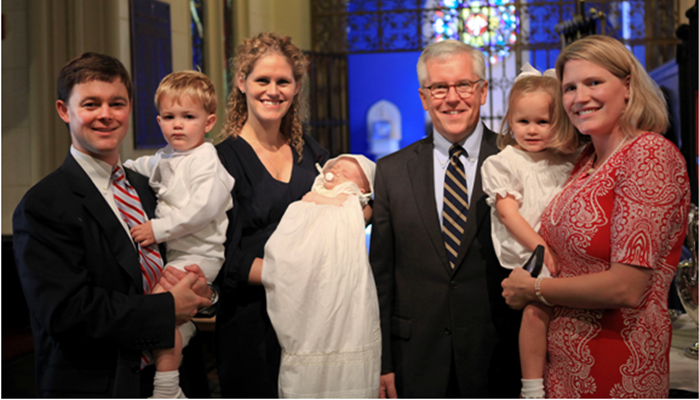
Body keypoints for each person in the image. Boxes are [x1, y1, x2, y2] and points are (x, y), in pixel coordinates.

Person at [12, 52, 213, 398]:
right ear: (64, 110)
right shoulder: (43, 205)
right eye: (91, 104)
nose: (106, 114)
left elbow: (185, 254)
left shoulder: (149, 187)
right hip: (102, 383)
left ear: (129, 108)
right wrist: (167, 309)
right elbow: (67, 314)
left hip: (177, 376)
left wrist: (203, 293)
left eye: (116, 103)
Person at [501, 35, 690, 398]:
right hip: (561, 370)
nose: (580, 97)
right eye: (569, 87)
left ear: (628, 86)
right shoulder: (586, 161)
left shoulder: (648, 154)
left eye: (593, 82)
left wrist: (534, 289)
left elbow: (626, 287)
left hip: (616, 364)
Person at [369, 39, 522, 398]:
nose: (452, 98)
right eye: (439, 88)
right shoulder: (391, 172)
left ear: (482, 91)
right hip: (415, 361)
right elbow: (381, 277)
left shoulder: (516, 162)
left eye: (463, 85)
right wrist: (383, 362)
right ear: (424, 98)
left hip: (500, 356)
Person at [214, 32, 331, 398]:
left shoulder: (308, 152)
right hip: (250, 323)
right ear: (241, 82)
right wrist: (290, 273)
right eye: (262, 80)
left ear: (296, 88)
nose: (273, 91)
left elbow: (347, 205)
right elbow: (221, 257)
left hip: (310, 319)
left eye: (283, 81)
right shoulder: (220, 160)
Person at [124, 71, 235, 398]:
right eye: (169, 117)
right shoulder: (166, 157)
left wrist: (157, 229)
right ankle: (183, 336)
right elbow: (137, 166)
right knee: (169, 320)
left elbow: (202, 210)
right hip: (177, 254)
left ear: (209, 122)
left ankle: (167, 389)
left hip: (200, 255)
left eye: (188, 117)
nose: (177, 125)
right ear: (159, 121)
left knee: (158, 312)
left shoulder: (206, 161)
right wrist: (115, 169)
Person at [481, 65, 581, 398]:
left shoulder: (568, 160)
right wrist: (542, 249)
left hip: (565, 251)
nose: (532, 130)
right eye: (523, 121)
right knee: (537, 310)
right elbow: (508, 214)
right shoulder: (505, 162)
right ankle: (532, 386)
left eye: (543, 122)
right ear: (510, 121)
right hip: (530, 253)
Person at [262, 154, 380, 398]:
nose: (337, 173)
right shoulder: (313, 195)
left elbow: (347, 212)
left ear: (362, 189)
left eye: (345, 174)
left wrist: (320, 199)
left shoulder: (352, 199)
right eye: (336, 167)